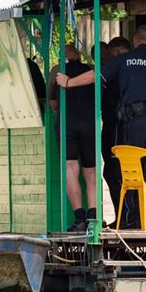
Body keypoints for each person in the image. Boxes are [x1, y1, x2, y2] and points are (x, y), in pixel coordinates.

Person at [56, 25, 146, 229]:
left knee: (133, 169)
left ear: (134, 40)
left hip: (136, 119)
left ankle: (133, 220)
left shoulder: (124, 60)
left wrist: (69, 82)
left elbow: (95, 76)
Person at [48, 43, 97, 233]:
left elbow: (52, 103)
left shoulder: (57, 71)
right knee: (90, 171)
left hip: (67, 123)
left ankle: (79, 219)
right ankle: (93, 218)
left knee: (70, 168)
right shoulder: (91, 70)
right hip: (90, 123)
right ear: (78, 54)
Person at [102, 37, 132, 223]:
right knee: (111, 173)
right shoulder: (114, 73)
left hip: (120, 128)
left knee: (117, 173)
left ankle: (126, 217)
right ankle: (122, 217)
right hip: (111, 126)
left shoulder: (124, 74)